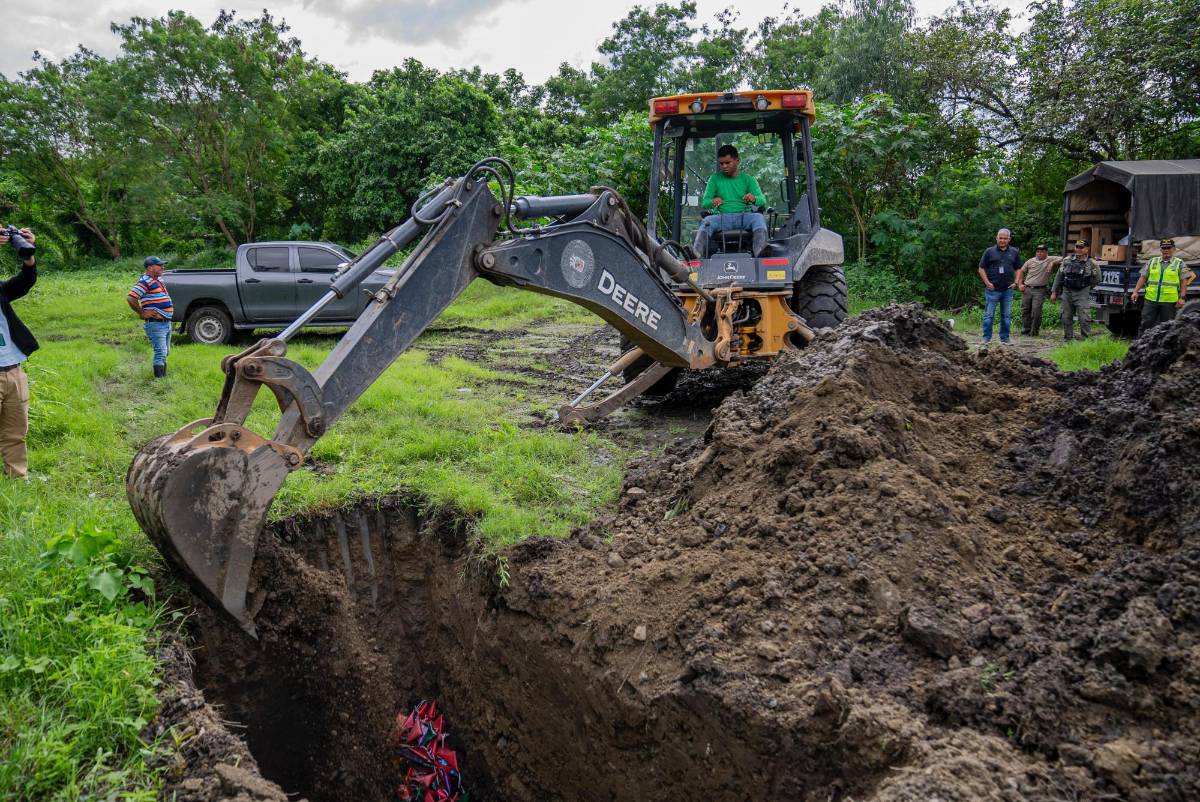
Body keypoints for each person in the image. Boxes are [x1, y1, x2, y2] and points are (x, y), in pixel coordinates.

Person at [0, 226, 38, 478]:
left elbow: (25, 281)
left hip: (12, 369)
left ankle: (17, 478)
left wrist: (27, 255)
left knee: (15, 433)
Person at [693, 144, 769, 257]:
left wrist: (754, 199)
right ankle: (696, 254)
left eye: (727, 163)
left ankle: (760, 252)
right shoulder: (714, 179)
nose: (724, 166)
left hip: (744, 217)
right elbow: (705, 203)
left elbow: (763, 201)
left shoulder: (748, 179)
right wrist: (713, 201)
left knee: (758, 218)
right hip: (721, 218)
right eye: (721, 163)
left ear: (737, 161)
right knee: (707, 221)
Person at [1131, 239, 1195, 335]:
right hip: (1151, 300)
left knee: (1168, 327)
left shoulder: (1179, 263)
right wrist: (1135, 291)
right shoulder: (1152, 261)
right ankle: (1141, 346)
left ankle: (1164, 348)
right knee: (1146, 324)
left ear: (1173, 249)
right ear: (1160, 250)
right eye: (1163, 248)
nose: (1166, 250)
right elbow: (1143, 277)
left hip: (1169, 302)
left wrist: (1182, 298)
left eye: (1168, 248)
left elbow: (1184, 281)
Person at [127, 256, 174, 378]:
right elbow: (131, 298)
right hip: (156, 323)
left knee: (165, 352)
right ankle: (160, 381)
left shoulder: (158, 280)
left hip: (166, 322)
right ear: (150, 268)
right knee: (161, 352)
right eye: (159, 265)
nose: (163, 267)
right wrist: (142, 312)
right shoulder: (145, 282)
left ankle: (163, 377)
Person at [977, 228, 1021, 346]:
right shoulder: (989, 251)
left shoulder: (1014, 252)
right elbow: (981, 268)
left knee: (1006, 316)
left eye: (1005, 238)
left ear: (1009, 239)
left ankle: (1005, 339)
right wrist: (987, 282)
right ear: (996, 238)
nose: (1002, 240)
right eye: (1000, 238)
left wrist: (1016, 282)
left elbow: (1018, 268)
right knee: (988, 315)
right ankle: (986, 338)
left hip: (1007, 290)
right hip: (993, 289)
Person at [1051, 239, 1100, 341]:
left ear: (1087, 249)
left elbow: (1097, 279)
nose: (1078, 249)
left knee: (1084, 317)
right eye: (1077, 247)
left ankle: (1085, 339)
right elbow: (1059, 277)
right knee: (1065, 316)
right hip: (1067, 292)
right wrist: (1054, 292)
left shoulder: (1092, 263)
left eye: (1081, 247)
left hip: (1082, 292)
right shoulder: (1066, 260)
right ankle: (1068, 338)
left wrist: (1087, 288)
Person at [1017, 244, 1061, 336]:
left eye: (1042, 251)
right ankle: (1026, 329)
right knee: (1025, 310)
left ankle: (1034, 331)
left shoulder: (1050, 259)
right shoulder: (1030, 261)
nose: (1039, 253)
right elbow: (1021, 271)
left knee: (1036, 311)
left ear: (1046, 252)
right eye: (1038, 251)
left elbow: (1065, 258)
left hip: (1040, 290)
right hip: (1027, 288)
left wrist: (1052, 263)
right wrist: (1020, 284)